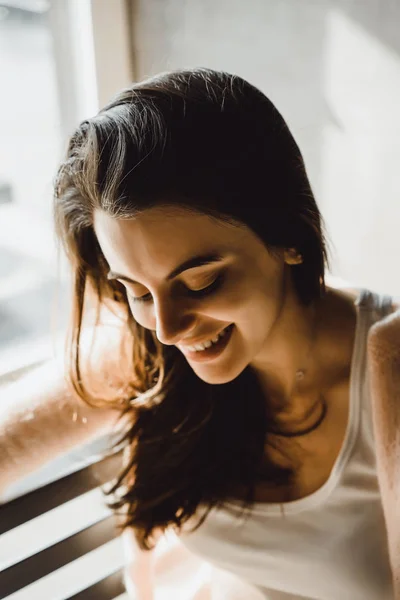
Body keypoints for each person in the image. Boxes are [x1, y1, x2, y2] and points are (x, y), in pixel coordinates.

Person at [1, 68, 399, 600]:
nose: (166, 329)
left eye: (201, 281)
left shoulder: (389, 361)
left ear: (288, 238)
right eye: (136, 291)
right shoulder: (145, 352)